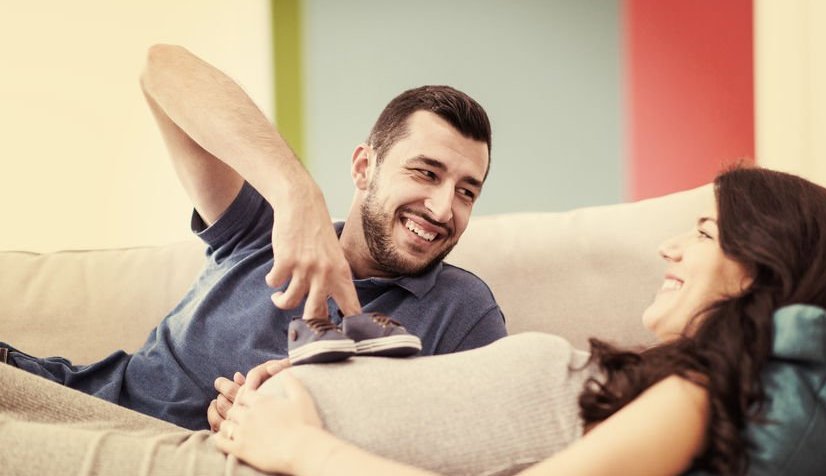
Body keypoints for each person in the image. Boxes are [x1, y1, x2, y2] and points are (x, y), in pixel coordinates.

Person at [213, 166, 826, 475]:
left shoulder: (699, 393)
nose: (670, 247)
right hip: (245, 440)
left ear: (762, 270)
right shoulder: (673, 388)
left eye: (705, 232)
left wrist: (299, 444)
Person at [0, 44, 507, 430]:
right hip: (78, 410)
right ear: (363, 167)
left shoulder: (462, 310)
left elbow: (473, 440)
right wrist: (295, 193)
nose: (444, 208)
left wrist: (294, 414)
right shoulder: (262, 229)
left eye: (467, 191)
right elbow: (162, 68)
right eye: (425, 173)